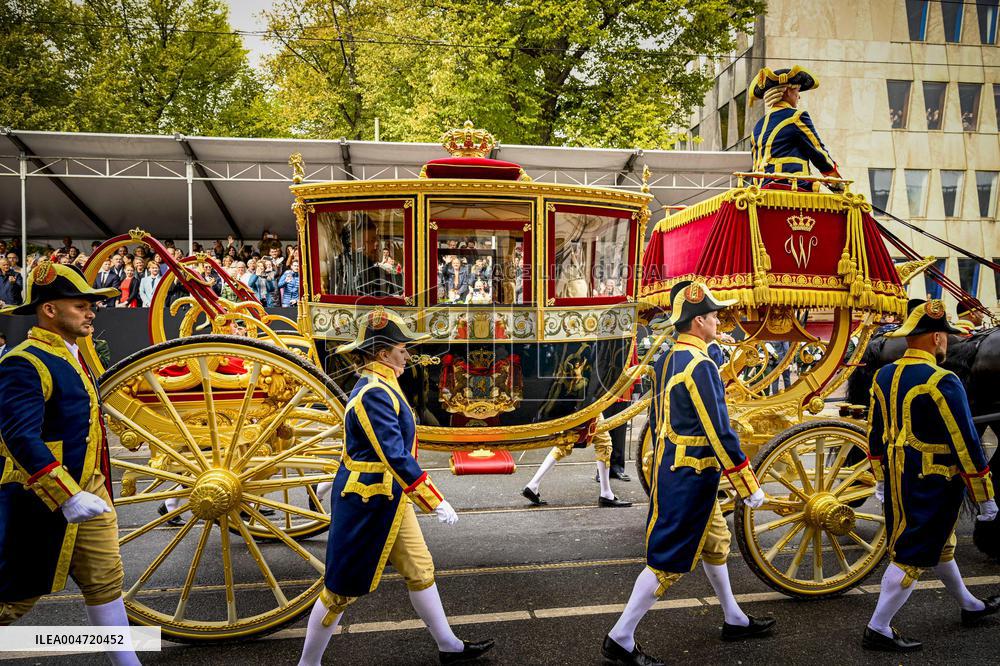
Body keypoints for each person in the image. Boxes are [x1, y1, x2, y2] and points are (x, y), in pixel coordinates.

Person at [297, 308, 494, 666]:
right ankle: (307, 664)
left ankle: (449, 647)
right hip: (368, 501)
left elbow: (365, 448)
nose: (407, 355)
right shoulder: (375, 392)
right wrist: (434, 500)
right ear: (383, 354)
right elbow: (394, 454)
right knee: (339, 590)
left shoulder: (381, 386)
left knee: (420, 569)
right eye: (402, 350)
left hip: (389, 496)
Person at [602, 280, 774, 666]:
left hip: (677, 469)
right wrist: (747, 482)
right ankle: (621, 637)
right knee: (666, 562)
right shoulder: (701, 365)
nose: (718, 320)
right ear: (698, 322)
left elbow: (662, 420)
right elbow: (719, 429)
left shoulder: (670, 359)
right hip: (691, 476)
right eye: (713, 315)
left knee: (716, 542)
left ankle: (734, 617)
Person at [0, 260, 139, 665]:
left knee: (106, 581)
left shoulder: (73, 355)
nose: (90, 311)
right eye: (80, 305)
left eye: (90, 305)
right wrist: (66, 495)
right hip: (38, 494)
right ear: (49, 309)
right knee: (15, 594)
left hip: (88, 488)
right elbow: (20, 436)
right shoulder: (23, 362)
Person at [862, 298, 998, 652]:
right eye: (945, 337)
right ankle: (878, 627)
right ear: (937, 338)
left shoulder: (883, 375)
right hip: (932, 482)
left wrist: (878, 476)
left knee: (940, 544)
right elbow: (966, 440)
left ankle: (969, 604)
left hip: (897, 477)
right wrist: (985, 495)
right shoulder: (942, 379)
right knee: (912, 554)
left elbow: (873, 432)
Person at [750, 66, 843, 192]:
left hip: (760, 188)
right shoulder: (796, 116)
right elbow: (818, 152)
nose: (799, 97)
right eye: (798, 91)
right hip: (791, 185)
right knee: (848, 205)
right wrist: (837, 181)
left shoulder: (758, 126)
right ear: (788, 91)